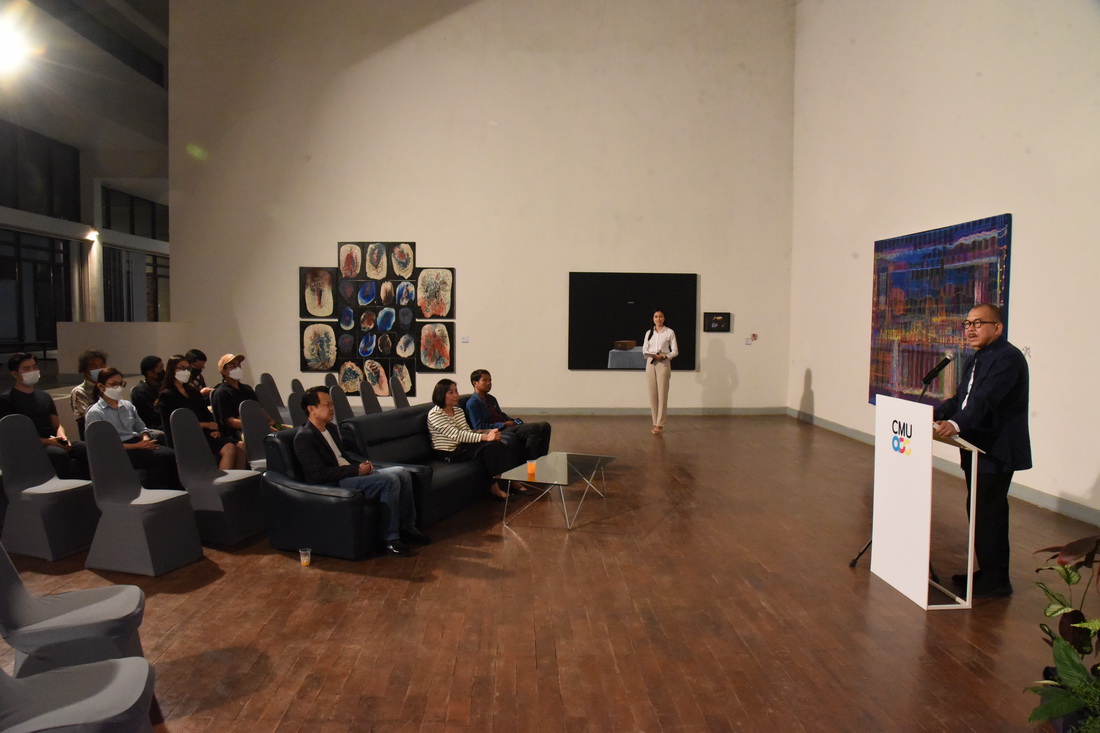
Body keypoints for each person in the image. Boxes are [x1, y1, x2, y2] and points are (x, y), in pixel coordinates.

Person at [933, 303, 1031, 598]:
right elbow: (962, 399)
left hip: (996, 450)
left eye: (978, 323)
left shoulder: (1008, 358)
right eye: (967, 323)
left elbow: (986, 399)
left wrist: (955, 423)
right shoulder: (977, 357)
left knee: (990, 512)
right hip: (976, 447)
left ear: (997, 328)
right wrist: (935, 413)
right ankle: (988, 571)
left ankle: (998, 580)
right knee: (979, 510)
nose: (970, 329)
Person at [294, 386, 430, 556]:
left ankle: (408, 527)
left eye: (332, 404)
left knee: (402, 472)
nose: (332, 408)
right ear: (311, 409)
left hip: (349, 472)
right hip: (336, 482)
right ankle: (390, 538)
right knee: (389, 480)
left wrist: (361, 465)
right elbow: (318, 475)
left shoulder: (331, 428)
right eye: (327, 404)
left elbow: (343, 457)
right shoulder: (304, 437)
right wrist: (356, 470)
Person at [85, 367, 179, 490]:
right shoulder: (95, 412)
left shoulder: (127, 405)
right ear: (101, 386)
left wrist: (145, 439)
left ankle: (174, 491)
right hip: (117, 450)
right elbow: (102, 444)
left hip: (137, 443)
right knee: (162, 458)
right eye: (113, 384)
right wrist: (137, 446)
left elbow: (141, 427)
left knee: (171, 454)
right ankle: (159, 491)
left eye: (121, 384)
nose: (118, 388)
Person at [0, 352, 88, 479]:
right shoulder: (6, 400)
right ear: (15, 374)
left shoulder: (44, 396)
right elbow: (12, 434)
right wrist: (47, 441)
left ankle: (94, 486)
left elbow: (57, 424)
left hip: (53, 440)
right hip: (31, 444)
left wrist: (62, 437)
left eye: (34, 367)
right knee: (59, 454)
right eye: (26, 368)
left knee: (88, 448)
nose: (32, 371)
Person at [427, 378, 517, 500]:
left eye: (456, 391)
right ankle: (498, 487)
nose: (456, 395)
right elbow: (457, 435)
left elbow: (466, 431)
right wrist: (485, 437)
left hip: (462, 445)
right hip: (448, 452)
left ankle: (509, 481)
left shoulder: (458, 410)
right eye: (451, 392)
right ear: (441, 395)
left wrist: (489, 432)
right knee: (490, 447)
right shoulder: (435, 414)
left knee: (496, 444)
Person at [158, 353, 246, 469]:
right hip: (185, 437)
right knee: (229, 448)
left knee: (240, 446)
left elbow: (205, 412)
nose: (186, 371)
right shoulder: (167, 395)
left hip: (204, 434)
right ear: (172, 370)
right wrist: (206, 425)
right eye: (182, 368)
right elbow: (178, 423)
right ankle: (224, 480)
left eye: (188, 368)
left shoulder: (192, 392)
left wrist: (213, 429)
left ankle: (240, 477)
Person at [466, 369, 551, 460]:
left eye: (490, 380)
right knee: (533, 428)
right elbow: (479, 427)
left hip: (507, 426)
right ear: (475, 383)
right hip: (498, 430)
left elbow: (501, 415)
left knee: (545, 426)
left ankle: (542, 460)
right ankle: (530, 461)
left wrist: (514, 421)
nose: (489, 383)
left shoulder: (491, 398)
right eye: (485, 380)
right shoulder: (473, 403)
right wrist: (503, 424)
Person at [211, 353, 276, 442]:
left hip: (257, 425)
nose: (238, 368)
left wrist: (270, 421)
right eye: (233, 366)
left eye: (239, 365)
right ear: (224, 371)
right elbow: (231, 422)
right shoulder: (221, 393)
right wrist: (260, 426)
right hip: (237, 432)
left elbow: (260, 409)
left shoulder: (247, 389)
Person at [641, 310, 678, 435]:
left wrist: (665, 356)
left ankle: (660, 424)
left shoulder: (669, 332)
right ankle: (654, 421)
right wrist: (652, 355)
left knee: (662, 393)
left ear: (664, 318)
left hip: (663, 362)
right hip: (651, 362)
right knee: (652, 393)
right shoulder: (649, 333)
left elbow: (675, 351)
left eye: (660, 316)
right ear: (653, 319)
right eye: (656, 317)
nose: (658, 319)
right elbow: (644, 349)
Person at [70, 349, 107, 439]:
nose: (99, 368)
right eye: (94, 366)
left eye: (102, 365)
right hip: (95, 436)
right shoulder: (79, 392)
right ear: (85, 370)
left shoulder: (109, 387)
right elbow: (91, 417)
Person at [130, 355, 165, 431]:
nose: (163, 371)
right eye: (160, 369)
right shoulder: (140, 391)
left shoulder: (161, 386)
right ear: (149, 373)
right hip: (153, 426)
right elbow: (151, 414)